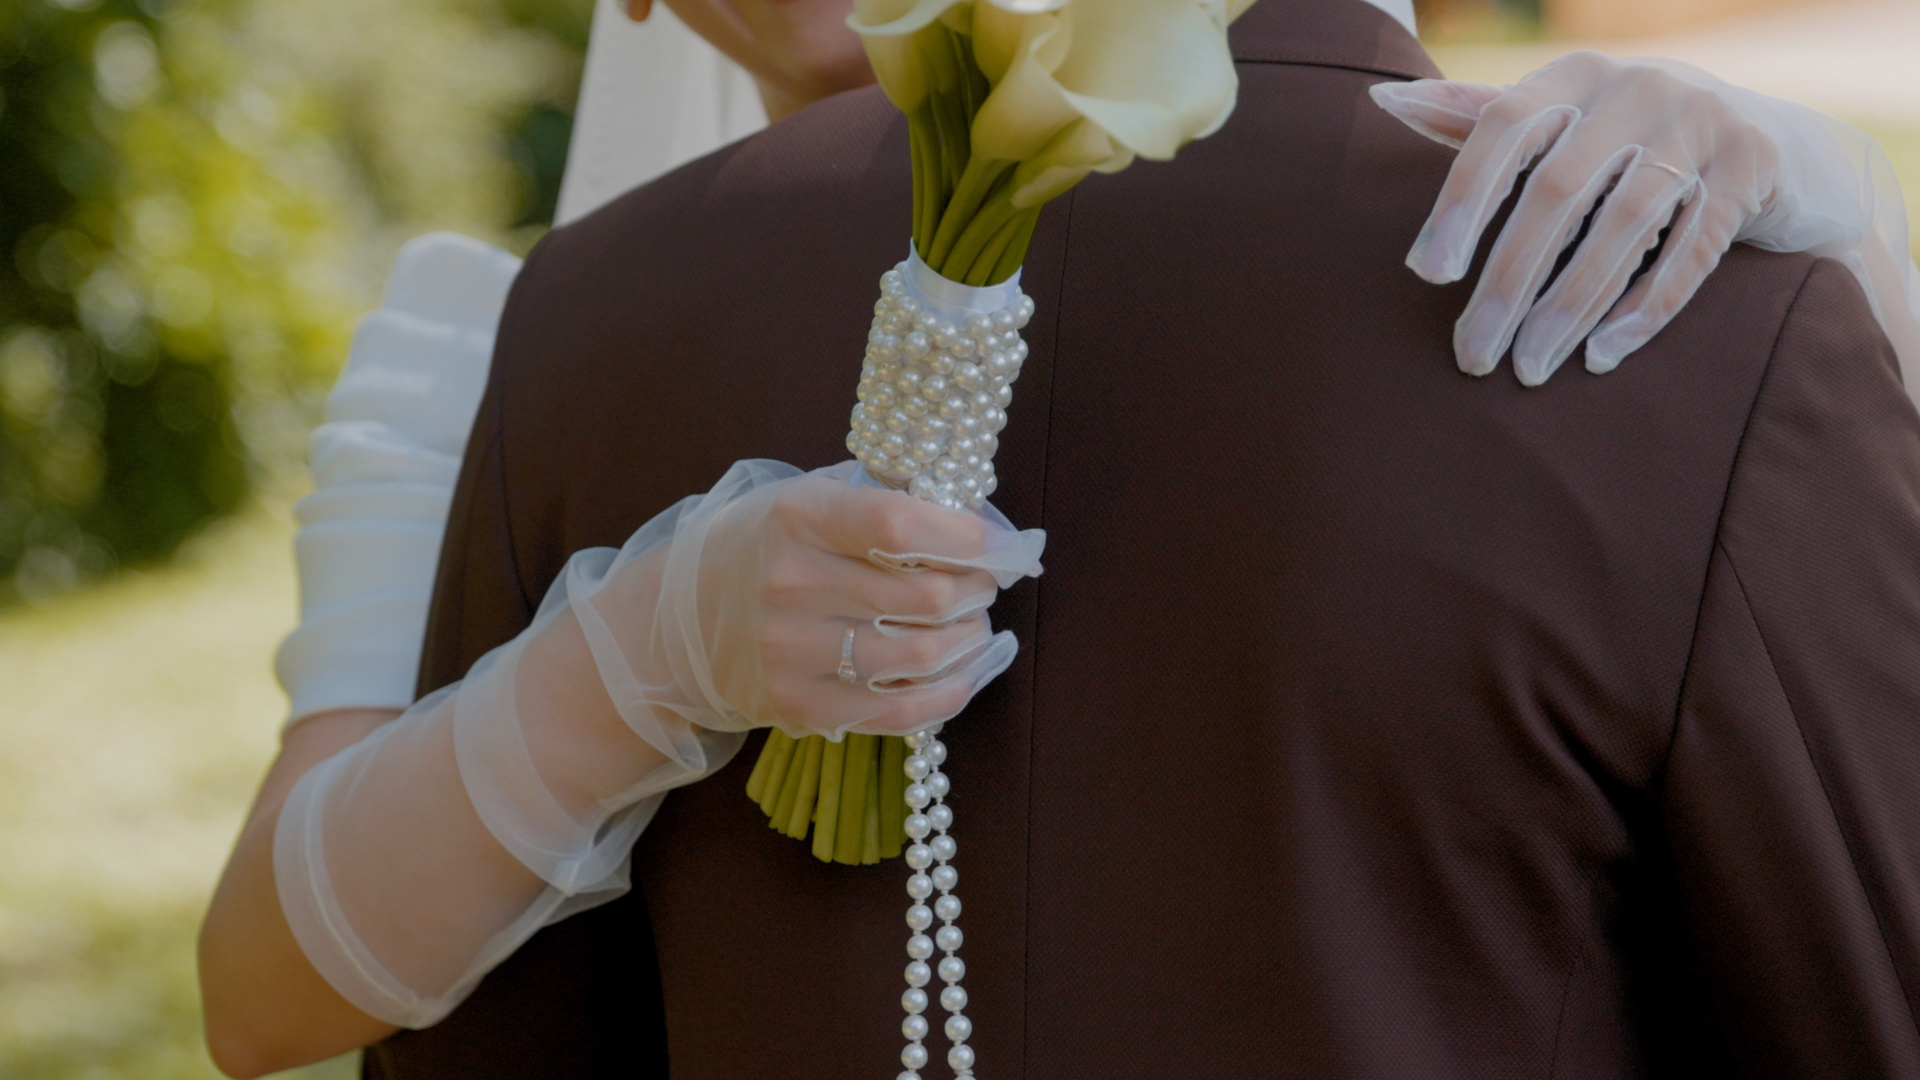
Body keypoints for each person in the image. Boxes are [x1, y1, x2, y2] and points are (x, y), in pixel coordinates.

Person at [195, 0, 1920, 1075]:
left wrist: (1841, 225)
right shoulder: (523, 331)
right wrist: (630, 660)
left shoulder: (588, 317)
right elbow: (277, 993)